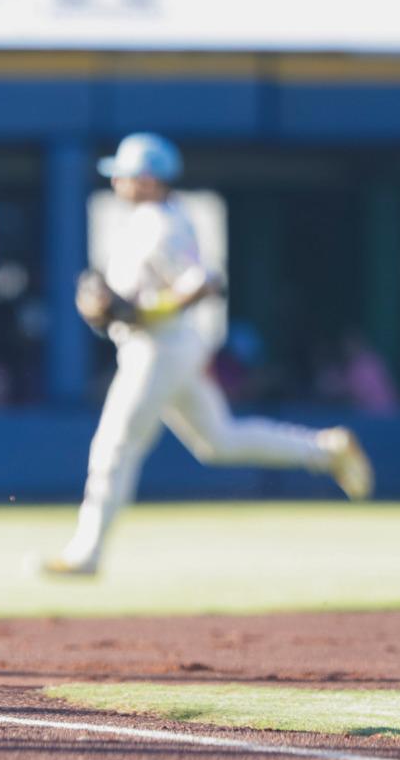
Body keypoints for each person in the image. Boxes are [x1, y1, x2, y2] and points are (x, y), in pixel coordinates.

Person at [43, 134, 374, 577]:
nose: (117, 180)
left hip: (158, 348)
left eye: (123, 173)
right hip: (164, 346)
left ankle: (87, 552)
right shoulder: (151, 219)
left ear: (146, 178)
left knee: (115, 446)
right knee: (220, 441)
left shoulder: (163, 224)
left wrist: (139, 309)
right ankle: (325, 449)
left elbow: (202, 283)